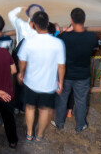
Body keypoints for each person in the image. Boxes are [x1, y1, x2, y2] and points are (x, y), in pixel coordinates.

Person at [16, 10, 65, 143]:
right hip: (49, 84)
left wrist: (21, 72)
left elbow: (22, 60)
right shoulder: (57, 43)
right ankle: (40, 135)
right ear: (47, 23)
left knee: (30, 108)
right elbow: (61, 65)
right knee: (44, 110)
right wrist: (60, 82)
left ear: (34, 25)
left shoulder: (28, 42)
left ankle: (30, 133)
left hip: (31, 82)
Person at [55, 7, 94, 133]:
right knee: (81, 100)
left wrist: (66, 30)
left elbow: (57, 40)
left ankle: (59, 123)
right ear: (85, 20)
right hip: (83, 75)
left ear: (71, 20)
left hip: (66, 74)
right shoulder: (91, 37)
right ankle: (80, 124)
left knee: (62, 99)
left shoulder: (64, 37)